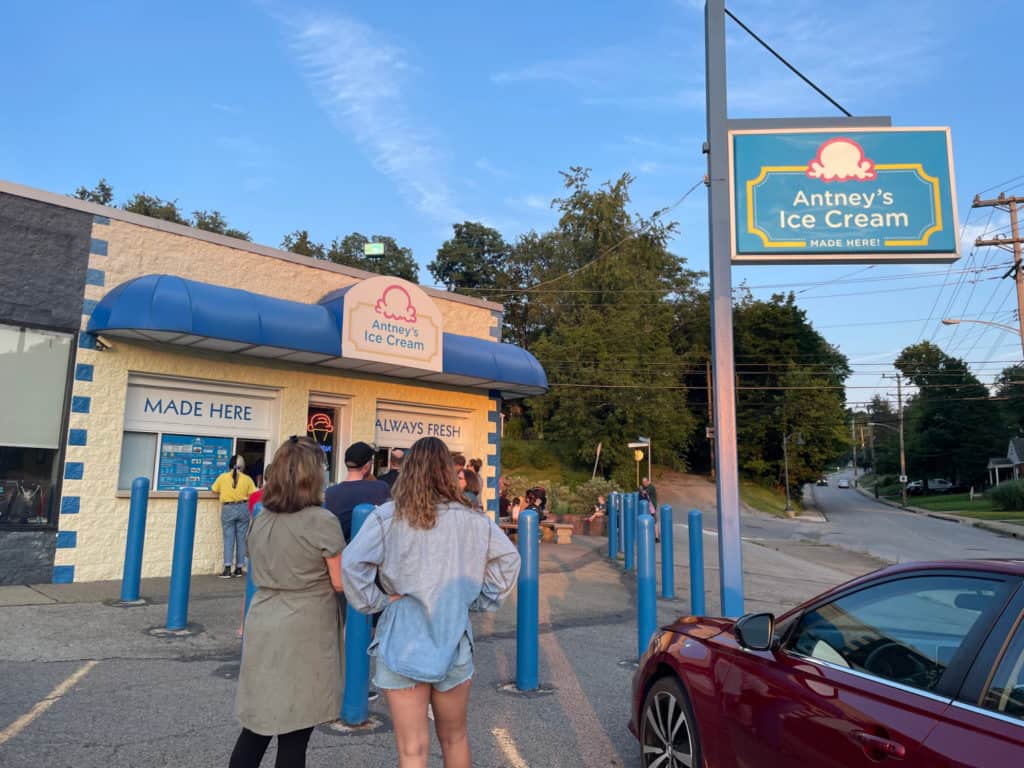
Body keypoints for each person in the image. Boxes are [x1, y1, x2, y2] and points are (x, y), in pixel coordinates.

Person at [343, 436, 521, 768]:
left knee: (412, 750)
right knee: (455, 738)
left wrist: (376, 600)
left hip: (402, 637)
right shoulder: (473, 519)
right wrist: (477, 600)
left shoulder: (388, 516)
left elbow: (353, 564)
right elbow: (508, 560)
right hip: (453, 635)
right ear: (448, 472)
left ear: (408, 470)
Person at [230, 436, 345, 768]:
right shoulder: (322, 521)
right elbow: (339, 581)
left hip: (263, 618)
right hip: (304, 626)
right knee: (295, 732)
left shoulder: (260, 517)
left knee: (255, 727)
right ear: (314, 475)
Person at [324, 442, 391, 543]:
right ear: (367, 466)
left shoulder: (330, 493)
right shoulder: (380, 488)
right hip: (370, 554)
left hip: (339, 554)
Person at [212, 455, 257, 578]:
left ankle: (227, 568)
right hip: (243, 508)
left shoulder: (222, 477)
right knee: (241, 539)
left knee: (228, 539)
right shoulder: (247, 479)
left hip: (228, 509)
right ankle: (239, 568)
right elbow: (253, 493)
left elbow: (214, 489)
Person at [639, 477, 659, 541]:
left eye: (645, 482)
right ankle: (649, 536)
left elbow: (644, 492)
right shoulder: (644, 487)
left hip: (652, 507)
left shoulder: (651, 487)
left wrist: (640, 489)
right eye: (643, 482)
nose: (644, 483)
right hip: (647, 506)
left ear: (648, 481)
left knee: (654, 521)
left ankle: (657, 537)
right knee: (647, 520)